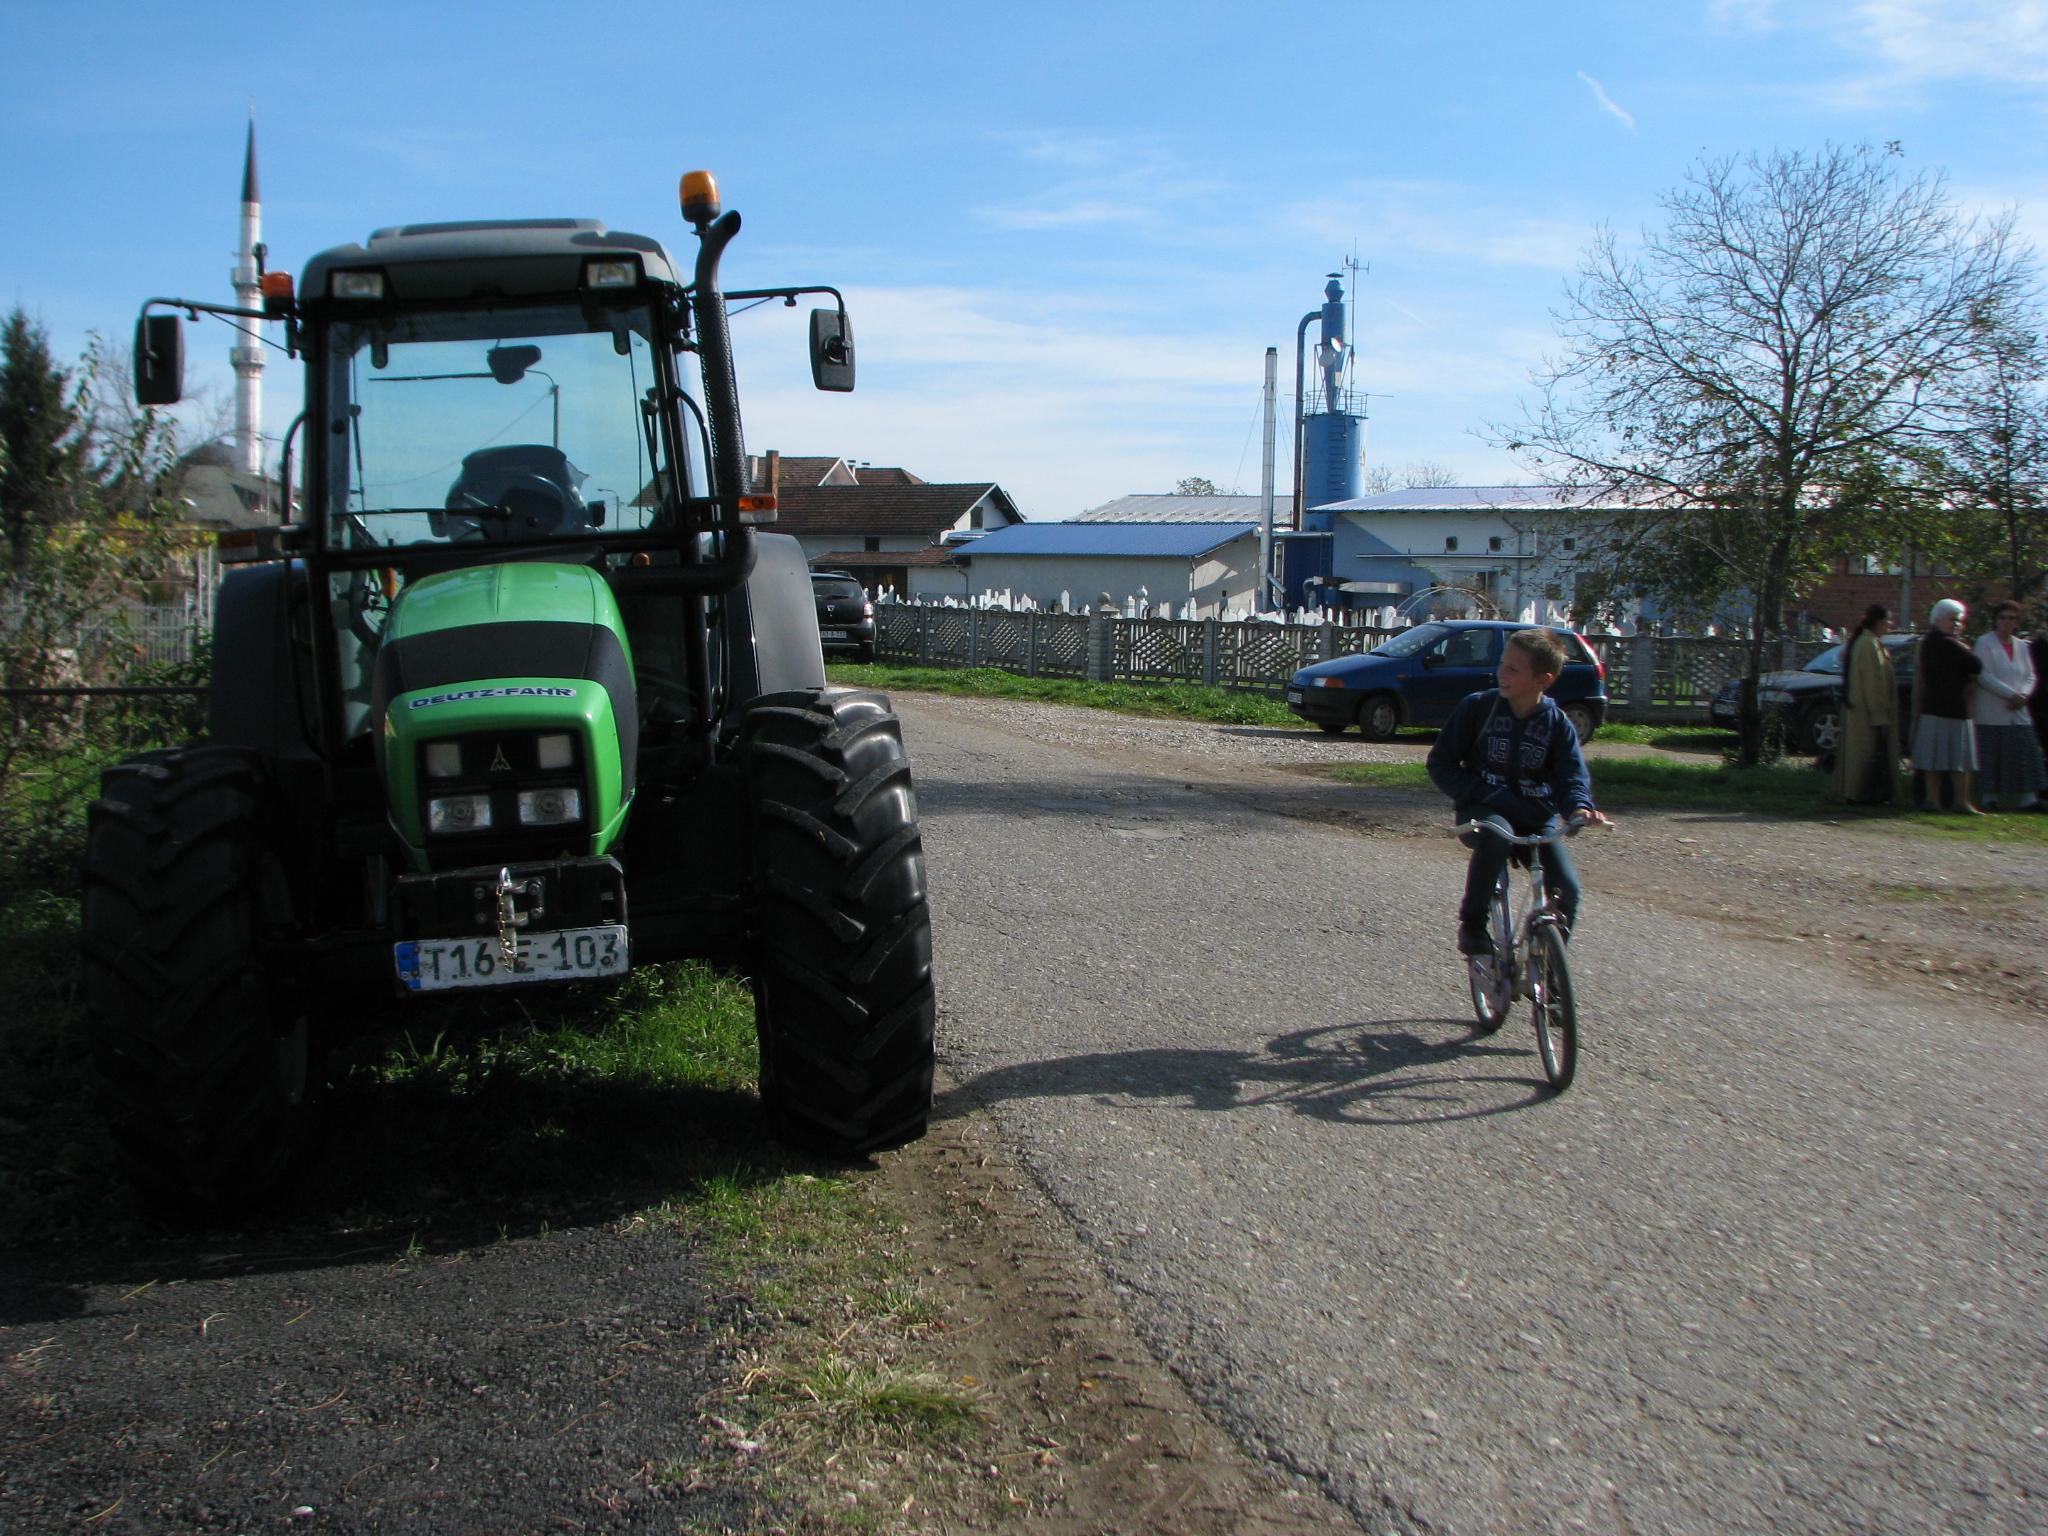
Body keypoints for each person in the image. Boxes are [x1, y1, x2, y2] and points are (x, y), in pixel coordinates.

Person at [1427, 628, 1610, 955]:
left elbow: (1572, 777)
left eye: (1513, 669)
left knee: (1567, 888)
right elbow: (1441, 764)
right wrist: (1479, 792)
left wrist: (1579, 808)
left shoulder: (1557, 724)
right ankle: (1472, 927)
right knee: (1498, 835)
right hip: (1483, 810)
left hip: (1535, 817)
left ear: (1544, 679)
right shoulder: (1478, 709)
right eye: (1502, 664)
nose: (1501, 673)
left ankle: (1548, 967)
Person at [1912, 599, 1992, 815]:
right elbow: (1975, 665)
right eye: (1952, 620)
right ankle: (1960, 801)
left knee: (1934, 758)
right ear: (1938, 619)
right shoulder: (1948, 643)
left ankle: (1933, 799)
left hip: (1934, 707)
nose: (1957, 624)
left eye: (1959, 620)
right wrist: (1965, 647)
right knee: (1959, 760)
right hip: (1954, 709)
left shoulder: (1928, 641)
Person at [1972, 600, 2044, 812]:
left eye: (2011, 618)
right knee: (1993, 754)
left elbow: (2030, 675)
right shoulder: (1984, 643)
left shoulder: (2022, 645)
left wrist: (2023, 695)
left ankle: (2028, 798)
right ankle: (1989, 797)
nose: (2006, 622)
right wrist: (2010, 695)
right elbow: (1984, 675)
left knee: (2025, 751)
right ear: (1995, 620)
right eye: (2002, 617)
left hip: (2019, 710)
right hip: (1994, 709)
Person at [1835, 603, 1904, 806]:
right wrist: (1879, 715)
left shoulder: (1867, 642)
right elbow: (1874, 683)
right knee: (1865, 755)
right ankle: (1863, 792)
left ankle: (1860, 792)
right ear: (1879, 622)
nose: (1890, 625)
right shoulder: (1869, 645)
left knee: (1862, 754)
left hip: (1860, 712)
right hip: (1866, 714)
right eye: (1888, 621)